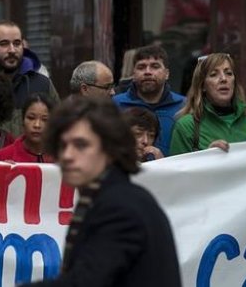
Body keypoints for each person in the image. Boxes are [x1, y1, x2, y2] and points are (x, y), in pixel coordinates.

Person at [26, 97, 181, 286]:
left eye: (81, 145)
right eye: (62, 145)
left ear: (110, 148)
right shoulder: (108, 196)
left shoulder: (119, 207)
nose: (67, 155)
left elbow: (85, 282)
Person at [169, 53, 246, 155]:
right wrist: (206, 158)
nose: (224, 79)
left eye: (228, 73)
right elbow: (178, 170)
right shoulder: (187, 126)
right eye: (214, 74)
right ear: (202, 86)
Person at [0, 21, 60, 135]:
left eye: (17, 43)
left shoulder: (42, 84)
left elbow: (60, 126)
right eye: (4, 44)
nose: (12, 50)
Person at [112, 45, 185, 156]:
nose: (147, 72)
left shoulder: (184, 106)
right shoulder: (115, 105)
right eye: (141, 67)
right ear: (134, 74)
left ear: (167, 74)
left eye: (155, 66)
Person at [0, 93, 54, 163]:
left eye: (45, 119)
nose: (37, 125)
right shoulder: (3, 156)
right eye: (31, 118)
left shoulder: (62, 157)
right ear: (22, 120)